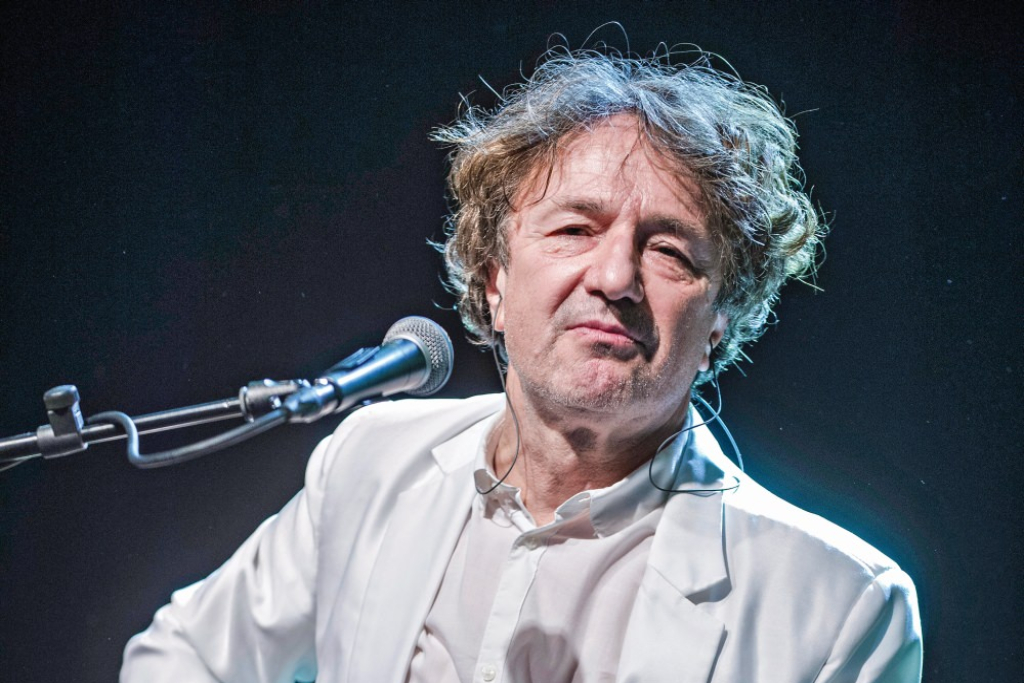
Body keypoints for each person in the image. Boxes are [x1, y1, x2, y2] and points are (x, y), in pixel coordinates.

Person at [120, 47, 922, 683]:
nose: (615, 277)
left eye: (670, 251)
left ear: (720, 324)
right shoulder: (372, 460)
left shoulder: (842, 606)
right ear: (493, 280)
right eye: (575, 230)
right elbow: (180, 657)